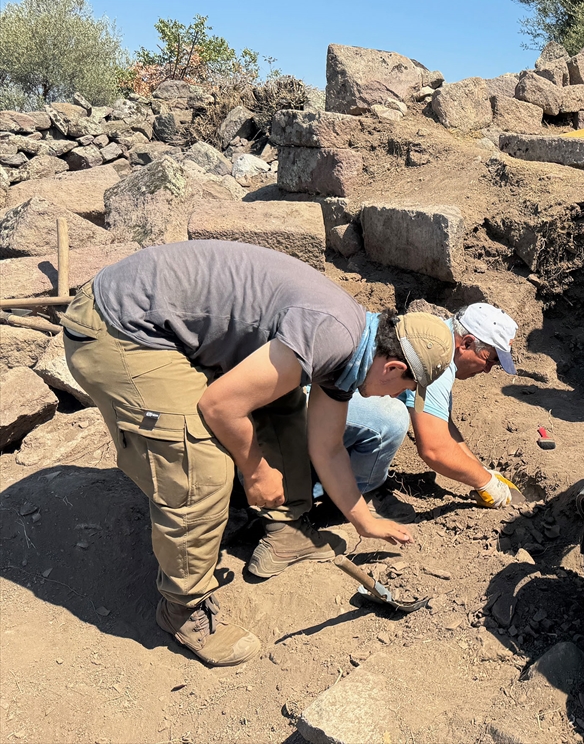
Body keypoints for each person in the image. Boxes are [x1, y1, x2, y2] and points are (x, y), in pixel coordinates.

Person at [61, 240, 454, 667]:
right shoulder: (331, 335)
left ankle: (285, 535)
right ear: (394, 368)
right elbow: (220, 406)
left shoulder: (355, 348)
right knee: (201, 464)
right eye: (406, 391)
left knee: (284, 412)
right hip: (120, 327)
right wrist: (255, 470)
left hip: (172, 323)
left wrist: (364, 520)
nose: (399, 397)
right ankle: (183, 609)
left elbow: (327, 448)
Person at [391, 302, 523, 508]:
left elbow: (444, 425)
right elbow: (433, 450)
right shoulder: (437, 364)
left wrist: (481, 470)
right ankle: (363, 491)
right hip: (338, 415)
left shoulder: (441, 335)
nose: (487, 370)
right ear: (467, 343)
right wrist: (485, 483)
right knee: (392, 418)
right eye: (489, 360)